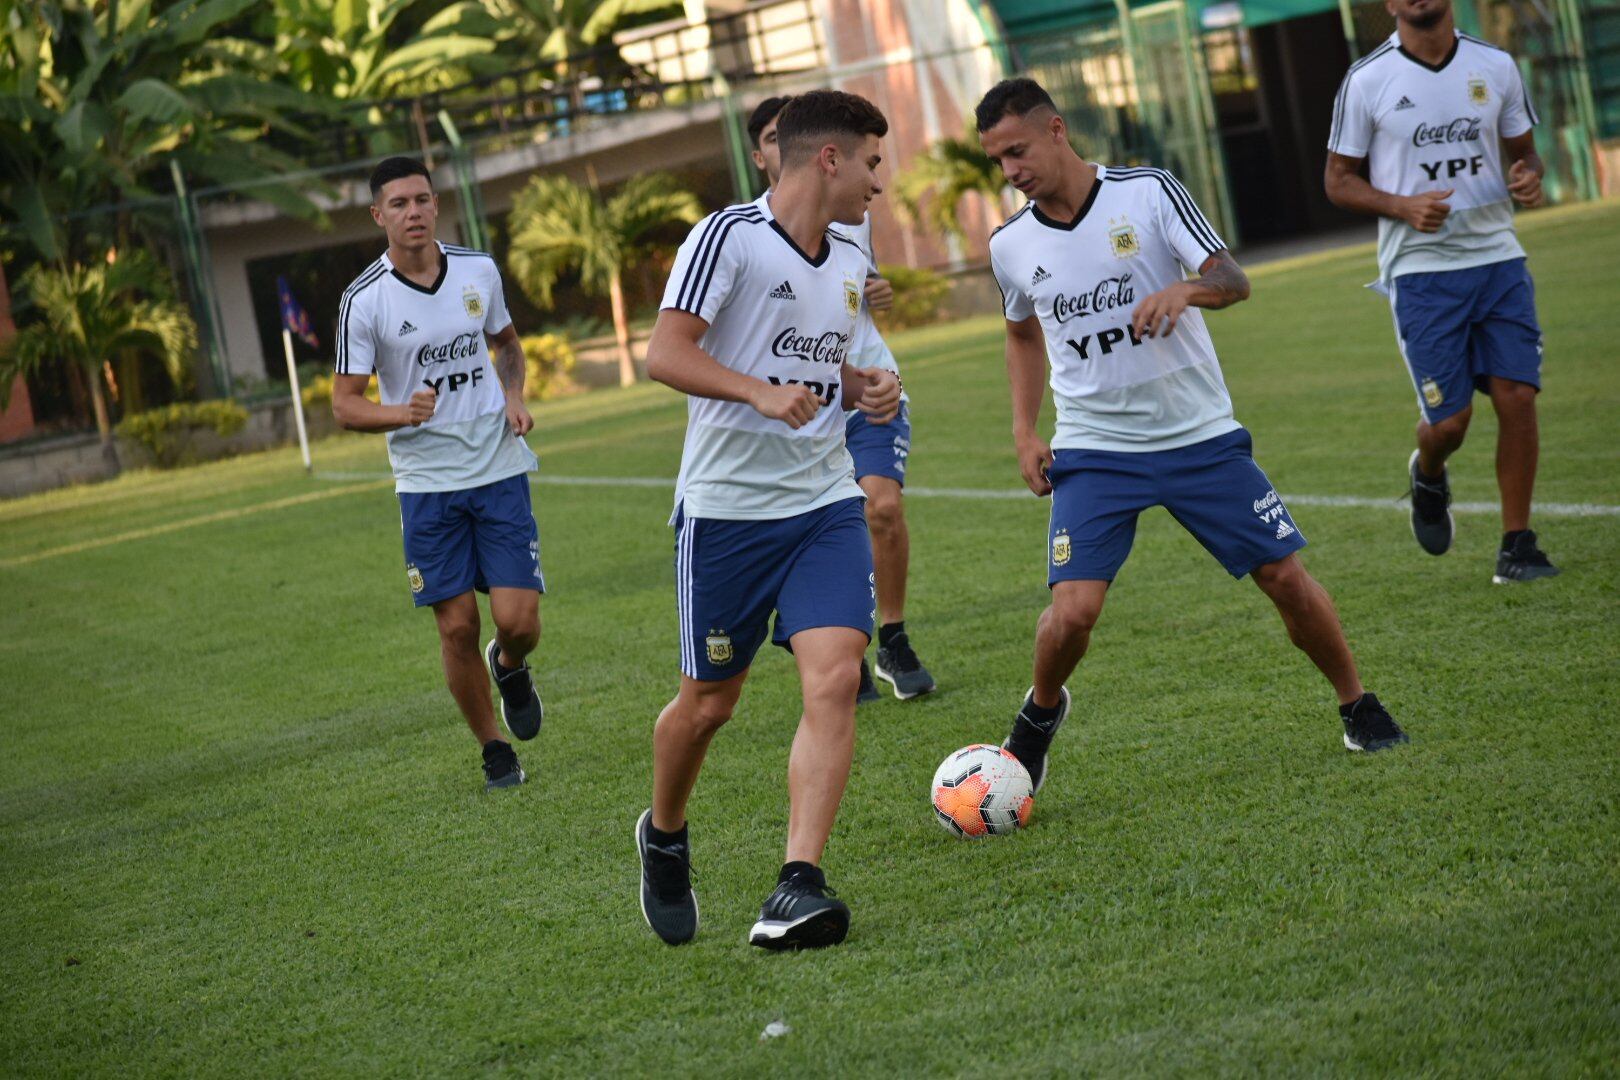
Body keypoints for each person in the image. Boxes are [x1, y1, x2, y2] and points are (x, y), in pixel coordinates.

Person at [974, 78, 1408, 790]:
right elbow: (1021, 333)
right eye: (998, 160)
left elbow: (1233, 279)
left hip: (1197, 435)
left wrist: (1186, 289)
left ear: (1056, 131)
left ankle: (1357, 703)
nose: (1011, 171)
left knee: (1284, 578)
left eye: (1017, 151)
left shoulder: (1147, 193)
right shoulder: (1012, 243)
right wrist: (1024, 430)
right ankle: (1040, 715)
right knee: (1073, 611)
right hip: (1095, 449)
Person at [634, 90, 901, 950]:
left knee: (832, 676)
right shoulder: (729, 237)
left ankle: (797, 883)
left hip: (823, 501)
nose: (879, 183)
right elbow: (663, 353)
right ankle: (665, 833)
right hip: (729, 514)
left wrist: (865, 387)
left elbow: (833, 369)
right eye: (870, 162)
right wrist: (756, 391)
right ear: (828, 159)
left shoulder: (853, 260)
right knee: (709, 705)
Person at [1324, 0, 1557, 583]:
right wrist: (1400, 205)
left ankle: (1518, 545)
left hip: (1498, 258)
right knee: (1450, 424)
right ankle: (1429, 472)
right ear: (1391, 5)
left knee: (1517, 397)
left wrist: (1529, 173)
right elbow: (1338, 181)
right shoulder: (1367, 79)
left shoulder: (1496, 65)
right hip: (1421, 271)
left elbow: (1525, 153)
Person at [332, 156, 545, 792]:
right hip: (426, 485)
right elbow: (344, 405)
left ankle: (509, 666)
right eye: (398, 204)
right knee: (456, 625)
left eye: (422, 199)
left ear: (436, 203)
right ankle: (494, 749)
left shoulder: (478, 269)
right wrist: (402, 412)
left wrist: (514, 396)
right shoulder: (363, 300)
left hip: (498, 467)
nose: (414, 212)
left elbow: (507, 344)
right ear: (379, 216)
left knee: (519, 622)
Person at [747, 95, 936, 702]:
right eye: (771, 137)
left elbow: (857, 284)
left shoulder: (853, 216)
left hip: (868, 386)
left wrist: (877, 293)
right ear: (761, 156)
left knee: (880, 506)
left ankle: (895, 636)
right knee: (822, 521)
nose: (876, 180)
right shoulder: (740, 238)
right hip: (797, 410)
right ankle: (834, 636)